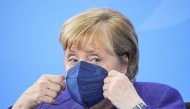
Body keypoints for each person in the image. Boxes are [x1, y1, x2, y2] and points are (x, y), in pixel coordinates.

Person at [11, 8, 185, 109]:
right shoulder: (53, 104)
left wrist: (134, 107)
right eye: (72, 59)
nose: (80, 69)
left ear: (124, 63)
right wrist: (22, 104)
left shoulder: (161, 98)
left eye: (95, 59)